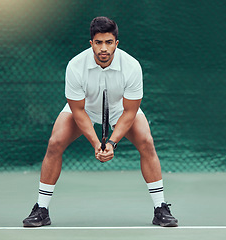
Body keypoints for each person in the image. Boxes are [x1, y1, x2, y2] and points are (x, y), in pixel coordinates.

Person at [22, 16, 178, 227]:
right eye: (98, 42)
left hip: (120, 110)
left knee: (147, 142)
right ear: (91, 44)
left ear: (116, 43)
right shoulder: (75, 66)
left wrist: (111, 143)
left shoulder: (132, 66)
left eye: (108, 42)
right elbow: (77, 111)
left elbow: (130, 112)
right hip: (83, 109)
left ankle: (160, 208)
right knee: (54, 143)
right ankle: (41, 209)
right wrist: (97, 143)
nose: (103, 48)